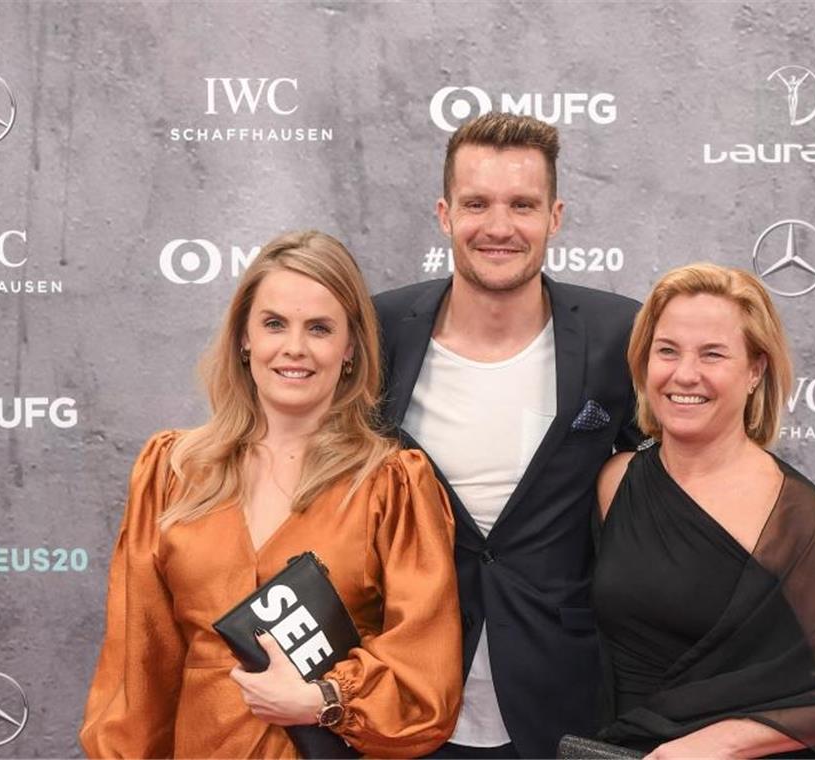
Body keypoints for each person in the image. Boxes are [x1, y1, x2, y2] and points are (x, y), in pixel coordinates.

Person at [79, 230, 463, 758]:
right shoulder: (172, 472)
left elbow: (426, 679)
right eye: (275, 324)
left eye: (320, 329)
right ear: (244, 336)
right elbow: (137, 671)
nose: (294, 348)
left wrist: (324, 698)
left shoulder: (392, 486)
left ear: (350, 348)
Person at [374, 113, 644, 759]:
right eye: (477, 203)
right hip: (404, 695)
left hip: (563, 696)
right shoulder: (380, 329)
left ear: (555, 216)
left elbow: (668, 490)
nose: (499, 227)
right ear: (444, 214)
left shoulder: (618, 334)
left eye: (522, 204)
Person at [592, 263, 815, 759]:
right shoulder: (615, 482)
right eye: (667, 350)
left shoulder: (792, 512)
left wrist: (720, 745)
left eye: (713, 354)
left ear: (756, 370)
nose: (685, 374)